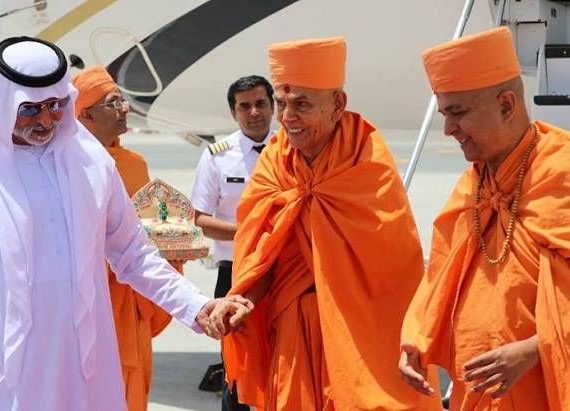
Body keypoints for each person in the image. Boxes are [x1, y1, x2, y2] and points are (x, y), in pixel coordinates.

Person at [0, 36, 249, 411]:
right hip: (11, 382)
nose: (46, 119)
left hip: (90, 373)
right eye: (30, 109)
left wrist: (195, 305)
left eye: (56, 105)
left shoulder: (91, 164)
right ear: (3, 105)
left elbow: (134, 254)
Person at [205, 37, 441, 410]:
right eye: (282, 105)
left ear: (338, 104)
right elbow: (267, 255)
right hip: (292, 330)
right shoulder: (274, 163)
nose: (287, 118)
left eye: (301, 105)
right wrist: (242, 299)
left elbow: (393, 269)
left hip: (358, 330)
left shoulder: (366, 161)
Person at [399, 26, 570, 411]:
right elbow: (440, 275)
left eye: (457, 113)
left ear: (507, 105)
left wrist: (533, 349)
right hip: (476, 393)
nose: (447, 130)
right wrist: (415, 340)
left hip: (545, 390)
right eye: (444, 115)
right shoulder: (472, 183)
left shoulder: (562, 171)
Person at [72, 64, 183, 411]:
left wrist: (173, 242)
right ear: (86, 116)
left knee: (132, 388)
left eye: (121, 101)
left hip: (132, 298)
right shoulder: (68, 164)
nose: (124, 109)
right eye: (114, 102)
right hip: (90, 300)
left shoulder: (135, 164)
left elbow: (150, 224)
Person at [189, 74, 274, 411]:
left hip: (284, 272)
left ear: (273, 106)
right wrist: (248, 232)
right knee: (236, 370)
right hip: (235, 275)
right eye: (245, 106)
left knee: (287, 361)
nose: (254, 112)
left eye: (261, 103)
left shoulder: (292, 149)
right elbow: (197, 218)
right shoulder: (217, 156)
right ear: (233, 112)